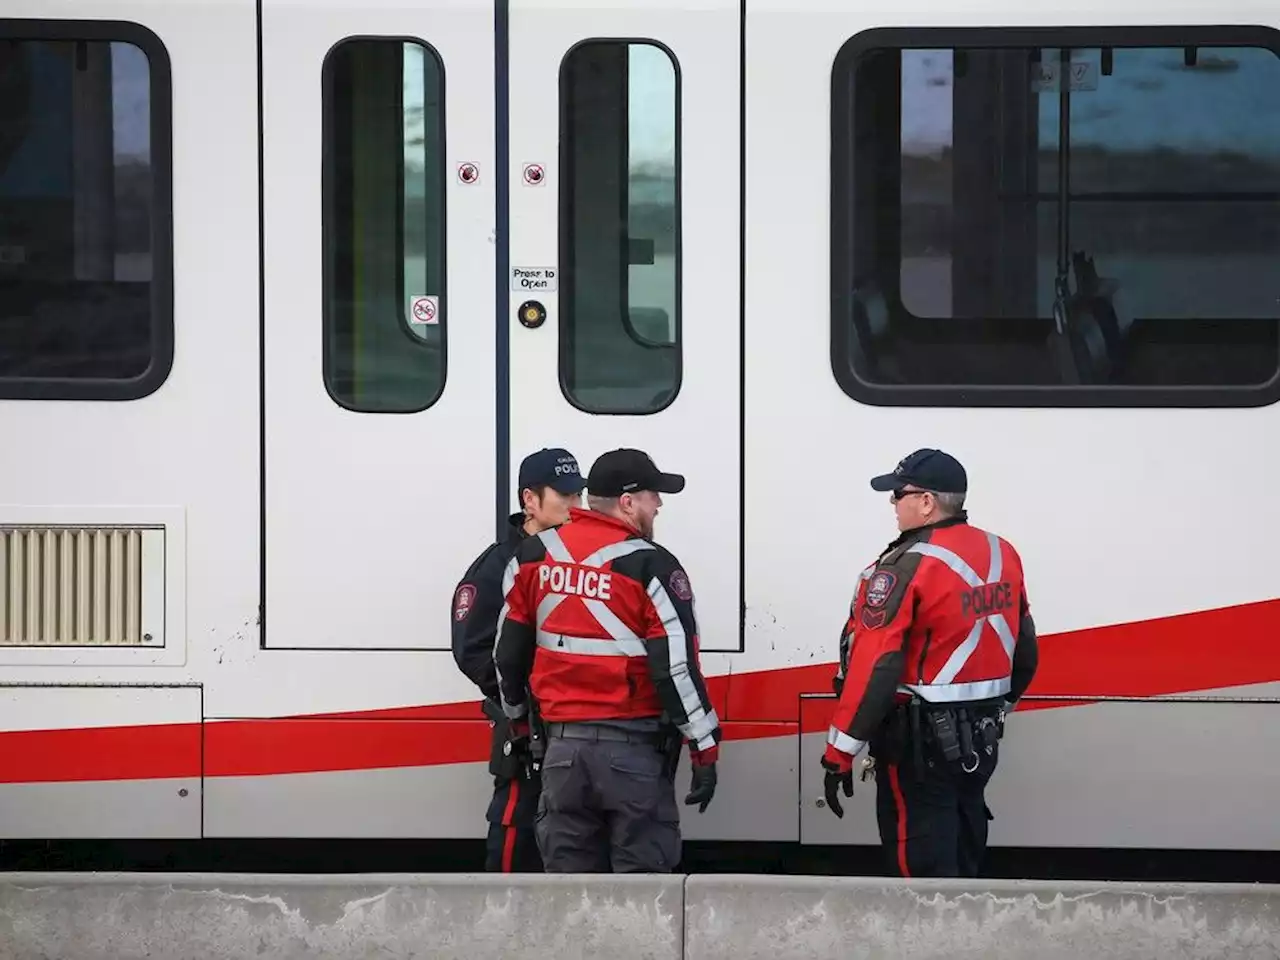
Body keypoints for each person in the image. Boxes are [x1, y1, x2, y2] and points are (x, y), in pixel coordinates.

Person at [492, 447, 720, 873]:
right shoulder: (652, 564)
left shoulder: (531, 557)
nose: (660, 505)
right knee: (640, 897)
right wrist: (704, 745)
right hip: (632, 757)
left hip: (561, 756)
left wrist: (520, 723)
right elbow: (675, 668)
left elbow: (508, 654)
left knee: (571, 896)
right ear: (628, 502)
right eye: (654, 495)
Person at [820, 448, 1039, 879]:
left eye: (898, 495)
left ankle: (930, 941)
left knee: (919, 862)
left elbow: (875, 668)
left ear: (926, 502)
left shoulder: (903, 566)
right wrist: (999, 705)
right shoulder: (1002, 553)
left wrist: (839, 753)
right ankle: (967, 932)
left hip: (921, 745)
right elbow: (1025, 645)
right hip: (981, 736)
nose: (893, 505)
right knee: (965, 833)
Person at [450, 447, 586, 872]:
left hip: (571, 723)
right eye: (564, 496)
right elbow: (471, 648)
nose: (575, 506)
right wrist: (522, 701)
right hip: (524, 726)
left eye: (578, 495)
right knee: (517, 823)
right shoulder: (498, 564)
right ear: (530, 500)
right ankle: (503, 921)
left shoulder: (577, 557)